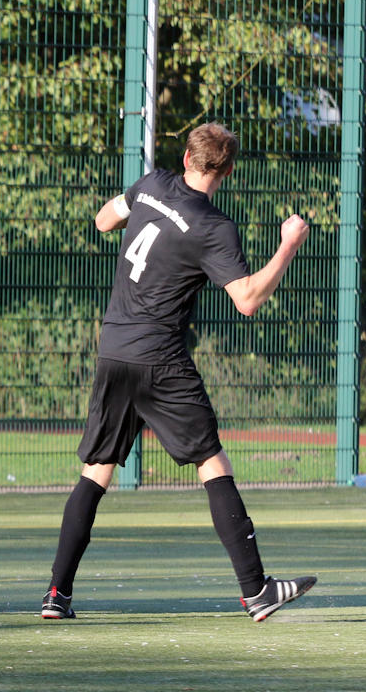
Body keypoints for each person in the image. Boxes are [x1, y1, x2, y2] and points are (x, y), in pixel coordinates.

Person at [41, 123, 316, 623]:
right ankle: (257, 591)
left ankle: (56, 594)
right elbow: (248, 300)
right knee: (213, 463)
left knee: (95, 472)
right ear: (227, 171)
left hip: (114, 349)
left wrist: (143, 207)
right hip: (161, 358)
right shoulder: (214, 227)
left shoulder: (151, 184)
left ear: (185, 156)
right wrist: (289, 244)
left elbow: (105, 220)